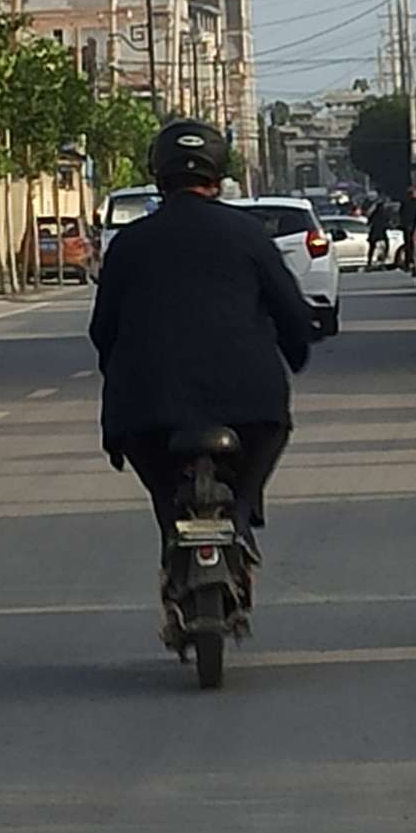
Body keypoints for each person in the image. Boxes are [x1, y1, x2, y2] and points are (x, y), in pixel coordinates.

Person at [89, 119, 313, 573]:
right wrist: (296, 350)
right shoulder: (249, 235)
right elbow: (291, 312)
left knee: (160, 489)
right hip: (248, 400)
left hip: (147, 407)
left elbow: (102, 330)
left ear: (159, 174)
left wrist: (121, 375)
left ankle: (173, 532)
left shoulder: (129, 243)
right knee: (273, 429)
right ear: (218, 174)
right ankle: (243, 513)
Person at [399, 185, 416, 270]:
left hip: (409, 227)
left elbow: (402, 215)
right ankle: (411, 263)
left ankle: (408, 264)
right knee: (412, 246)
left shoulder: (406, 203)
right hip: (414, 226)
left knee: (409, 246)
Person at [366, 195, 390, 270]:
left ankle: (370, 262)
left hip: (374, 232)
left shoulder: (374, 214)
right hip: (381, 232)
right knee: (384, 246)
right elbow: (387, 223)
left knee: (372, 248)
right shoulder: (383, 214)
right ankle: (382, 261)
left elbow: (368, 222)